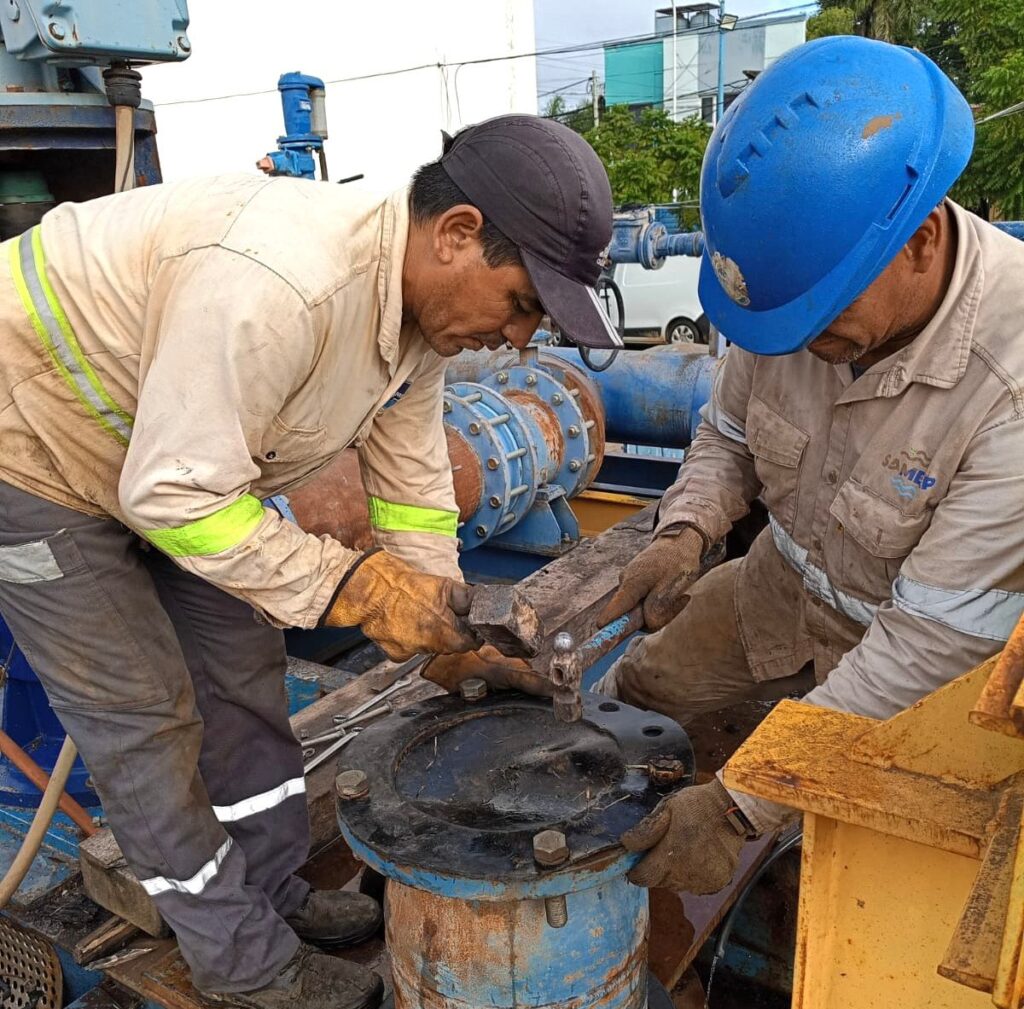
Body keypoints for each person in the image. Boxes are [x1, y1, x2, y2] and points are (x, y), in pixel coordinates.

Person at [0, 115, 618, 1008]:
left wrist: (443, 620)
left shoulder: (414, 322)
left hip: (164, 453)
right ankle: (239, 960)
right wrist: (351, 586)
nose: (520, 339)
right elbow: (172, 495)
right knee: (142, 714)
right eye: (522, 303)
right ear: (457, 235)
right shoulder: (280, 286)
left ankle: (270, 886)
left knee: (243, 664)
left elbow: (410, 490)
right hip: (30, 443)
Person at [597, 36, 1024, 895]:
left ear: (920, 239)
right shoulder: (787, 295)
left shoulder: (1008, 389)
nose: (796, 347)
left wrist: (737, 808)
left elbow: (927, 647)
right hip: (777, 591)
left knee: (832, 873)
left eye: (819, 320)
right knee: (636, 687)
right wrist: (685, 531)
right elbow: (727, 434)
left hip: (905, 666)